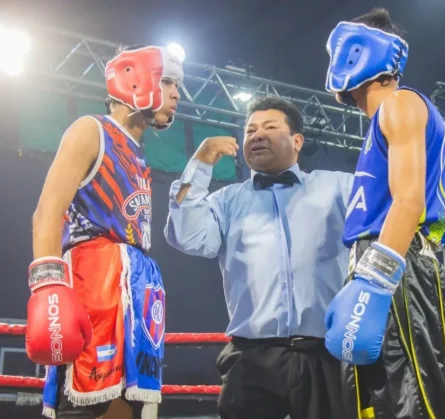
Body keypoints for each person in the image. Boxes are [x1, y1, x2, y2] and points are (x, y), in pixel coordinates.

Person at [322, 8, 445, 419]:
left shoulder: (400, 105)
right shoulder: (386, 120)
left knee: (408, 404)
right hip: (391, 265)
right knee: (383, 403)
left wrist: (373, 280)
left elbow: (409, 202)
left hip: (394, 268)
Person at [164, 96, 354, 419]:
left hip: (324, 353)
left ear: (297, 141)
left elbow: (391, 213)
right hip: (250, 358)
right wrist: (200, 163)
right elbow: (185, 234)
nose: (257, 135)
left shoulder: (338, 187)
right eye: (250, 130)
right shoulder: (227, 200)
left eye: (269, 127)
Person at [26, 44, 183, 419]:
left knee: (134, 407)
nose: (177, 94)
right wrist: (49, 289)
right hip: (95, 283)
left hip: (136, 288)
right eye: (169, 81)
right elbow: (47, 212)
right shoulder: (91, 130)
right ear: (135, 77)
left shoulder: (139, 152)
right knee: (91, 405)